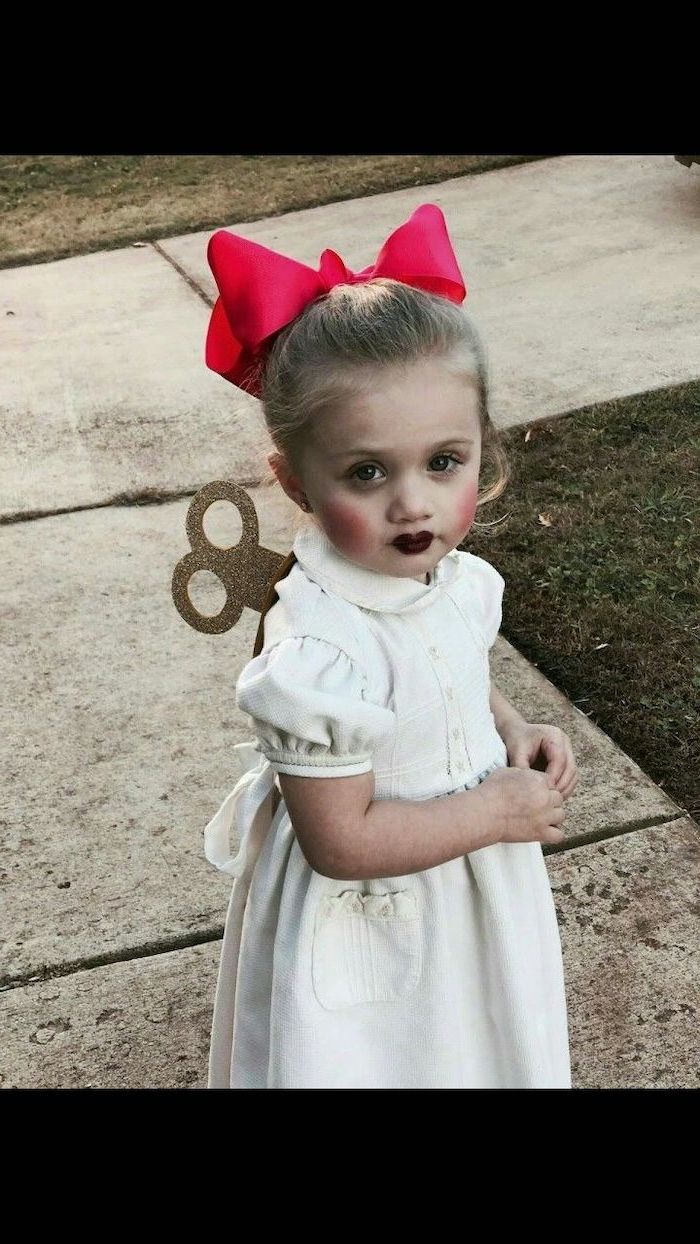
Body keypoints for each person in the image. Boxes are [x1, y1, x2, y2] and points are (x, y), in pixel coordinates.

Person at [201, 204, 578, 1089]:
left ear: (482, 447)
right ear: (293, 477)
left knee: (475, 1046)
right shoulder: (319, 654)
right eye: (368, 472)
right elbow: (342, 841)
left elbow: (445, 671)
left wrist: (508, 728)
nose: (413, 504)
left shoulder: (453, 581)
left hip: (465, 888)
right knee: (395, 1058)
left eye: (444, 461)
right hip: (375, 912)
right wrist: (496, 814)